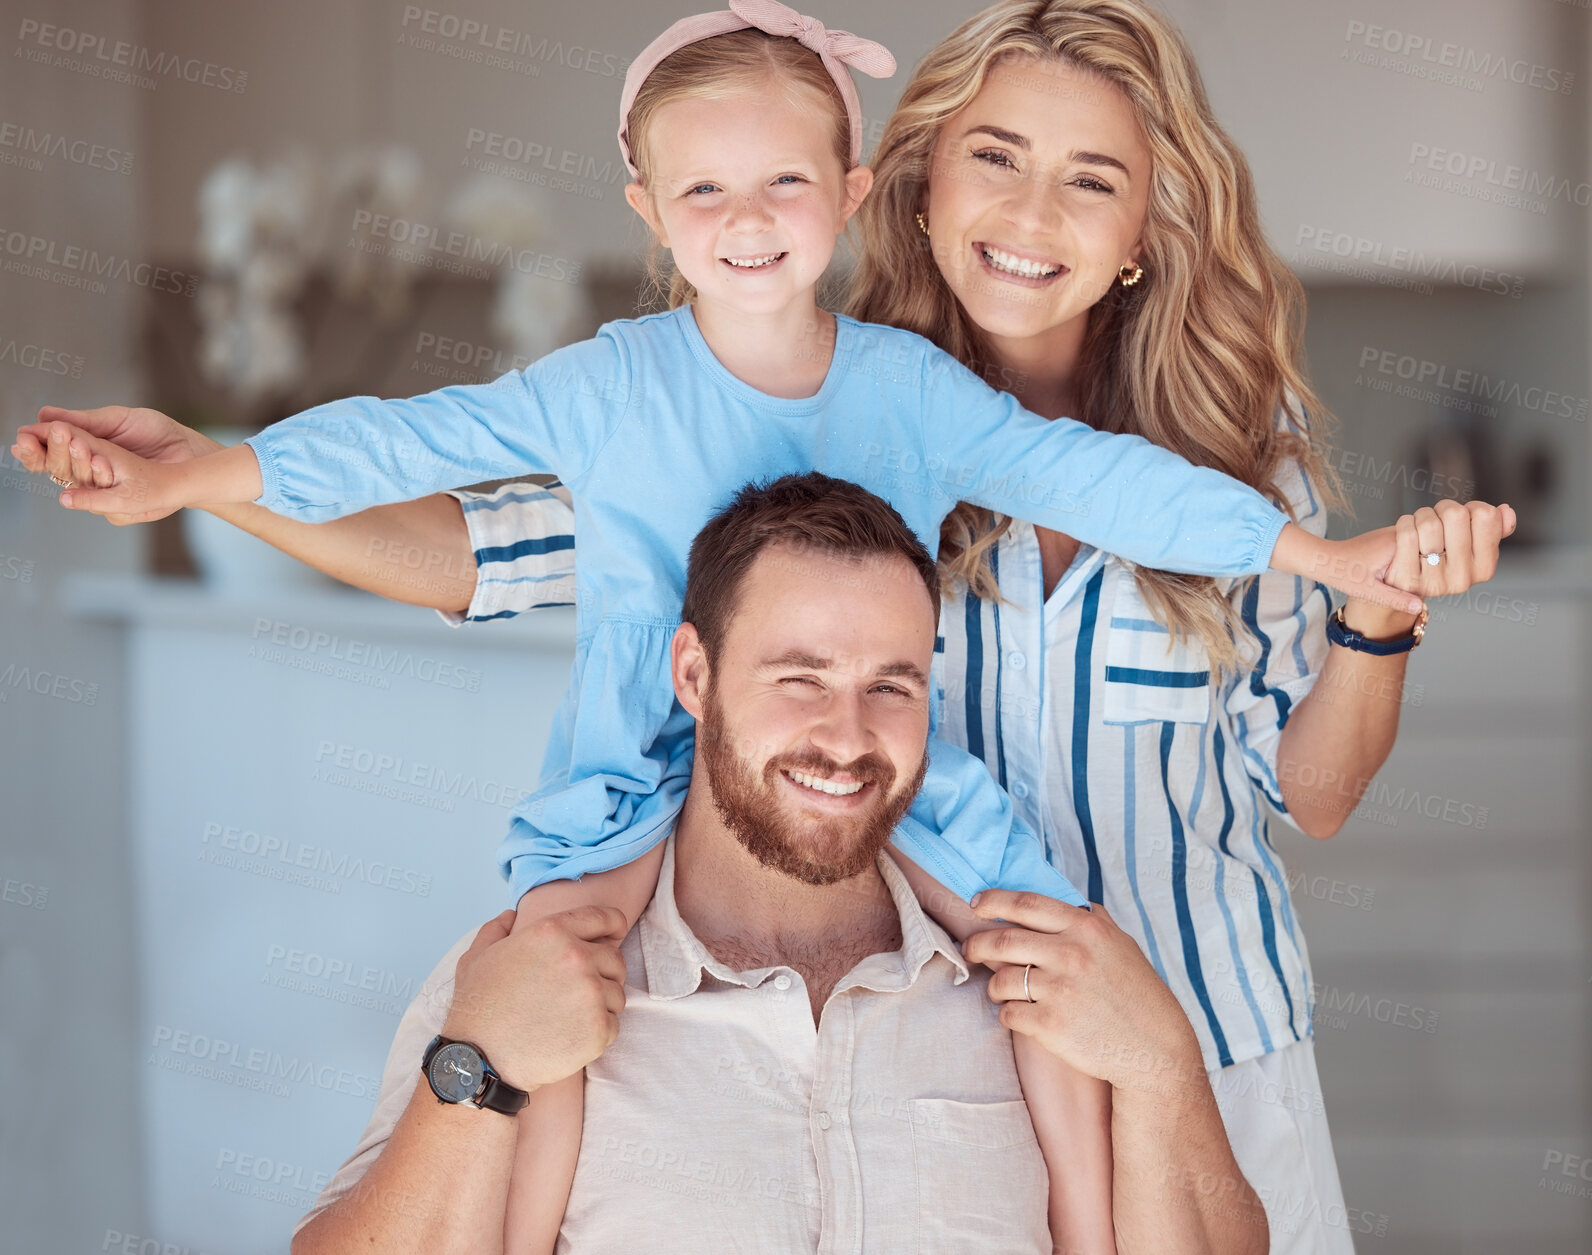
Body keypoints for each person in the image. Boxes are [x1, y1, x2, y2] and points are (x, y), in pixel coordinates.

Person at [9, 2, 1492, 1250]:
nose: (1034, 214)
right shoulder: (698, 399)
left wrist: (1343, 571)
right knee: (543, 1014)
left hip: (1199, 1036)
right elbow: (445, 495)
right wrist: (209, 473)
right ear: (910, 186)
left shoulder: (1070, 438)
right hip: (780, 896)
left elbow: (1261, 699)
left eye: (1090, 179)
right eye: (997, 157)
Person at [290, 472, 1269, 1255]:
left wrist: (1163, 1065)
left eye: (890, 684)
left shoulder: (1043, 989)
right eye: (798, 678)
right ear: (692, 675)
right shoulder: (520, 977)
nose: (845, 738)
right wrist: (478, 1067)